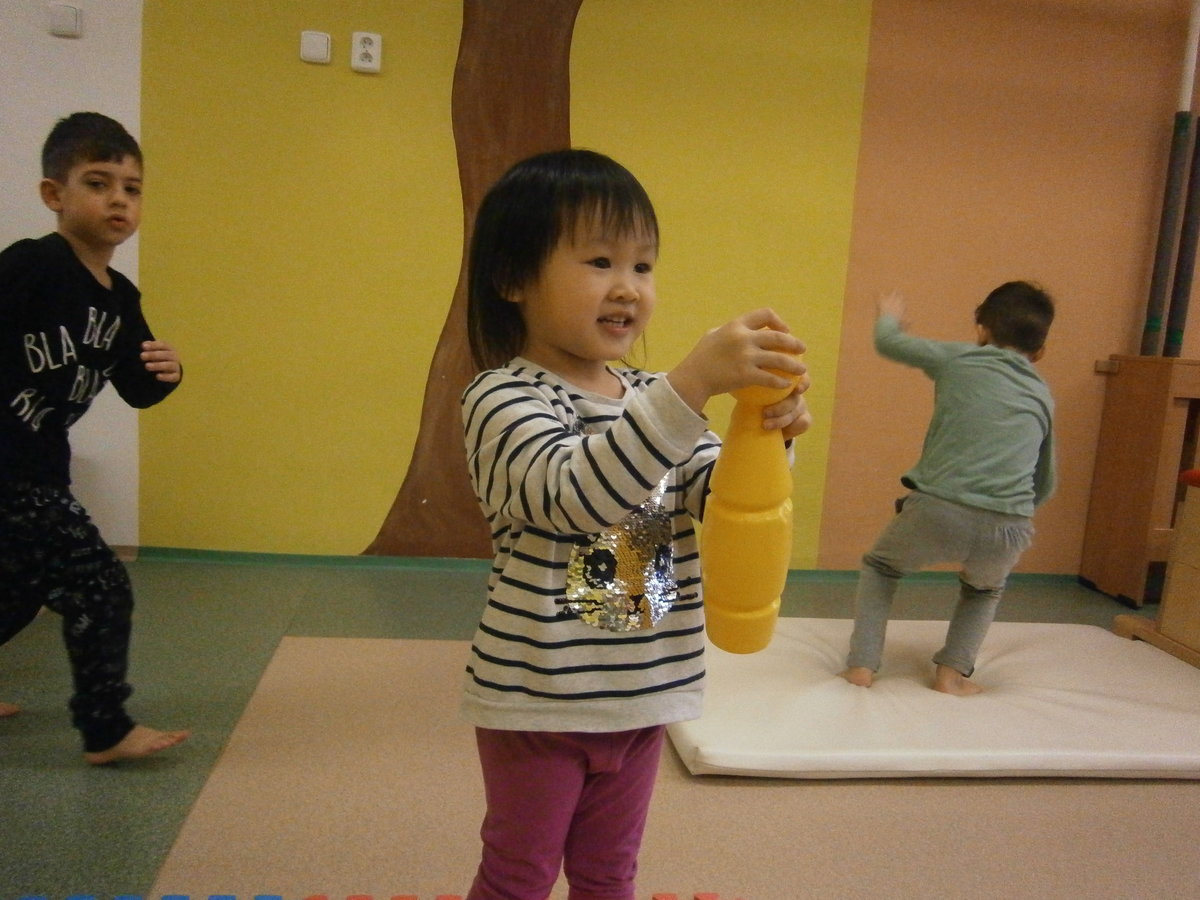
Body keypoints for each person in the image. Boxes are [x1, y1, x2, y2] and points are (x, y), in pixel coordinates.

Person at [459, 148, 811, 900]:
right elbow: (577, 495)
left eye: (643, 266)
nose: (628, 286)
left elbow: (717, 501)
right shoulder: (505, 398)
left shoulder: (655, 398)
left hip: (644, 691)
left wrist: (764, 434)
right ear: (513, 278)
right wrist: (690, 386)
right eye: (600, 261)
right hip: (541, 701)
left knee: (609, 874)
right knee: (519, 875)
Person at [0, 112, 189, 763]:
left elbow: (138, 388)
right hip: (7, 467)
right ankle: (105, 727)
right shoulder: (33, 266)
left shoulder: (120, 299)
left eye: (131, 189)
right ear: (54, 194)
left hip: (41, 470)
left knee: (19, 589)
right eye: (98, 183)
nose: (118, 200)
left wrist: (169, 372)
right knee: (99, 582)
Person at [839, 283, 1056, 696]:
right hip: (1011, 523)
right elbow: (1044, 480)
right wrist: (1012, 516)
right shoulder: (1042, 395)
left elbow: (889, 343)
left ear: (982, 330)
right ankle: (952, 674)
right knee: (984, 590)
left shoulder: (960, 358)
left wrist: (889, 316)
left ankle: (862, 667)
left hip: (940, 509)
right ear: (1040, 351)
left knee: (881, 568)